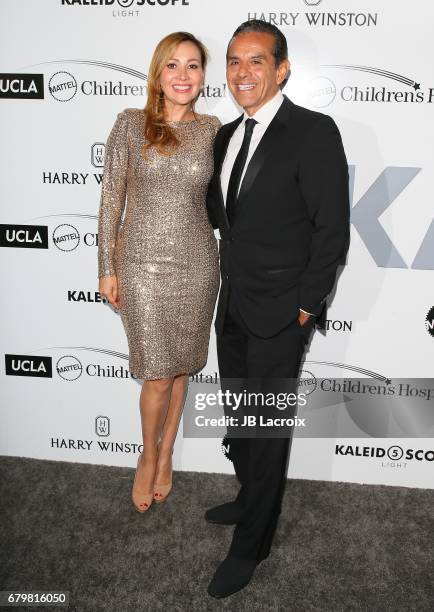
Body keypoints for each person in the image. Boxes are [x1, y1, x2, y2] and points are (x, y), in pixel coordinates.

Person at [205, 20, 350, 598]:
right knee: (241, 417)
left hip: (281, 313)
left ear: (282, 68)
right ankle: (248, 499)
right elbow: (228, 225)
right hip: (233, 303)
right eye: (234, 62)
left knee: (266, 428)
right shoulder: (224, 136)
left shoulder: (312, 131)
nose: (243, 73)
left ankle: (253, 545)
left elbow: (331, 228)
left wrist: (307, 307)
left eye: (256, 61)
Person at [97, 32, 220, 513]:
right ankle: (147, 456)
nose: (184, 75)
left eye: (193, 65)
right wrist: (107, 267)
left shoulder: (214, 130)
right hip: (141, 266)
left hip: (197, 263)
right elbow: (111, 200)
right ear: (158, 73)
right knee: (157, 375)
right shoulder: (130, 124)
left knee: (183, 365)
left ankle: (168, 452)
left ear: (203, 76)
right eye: (174, 65)